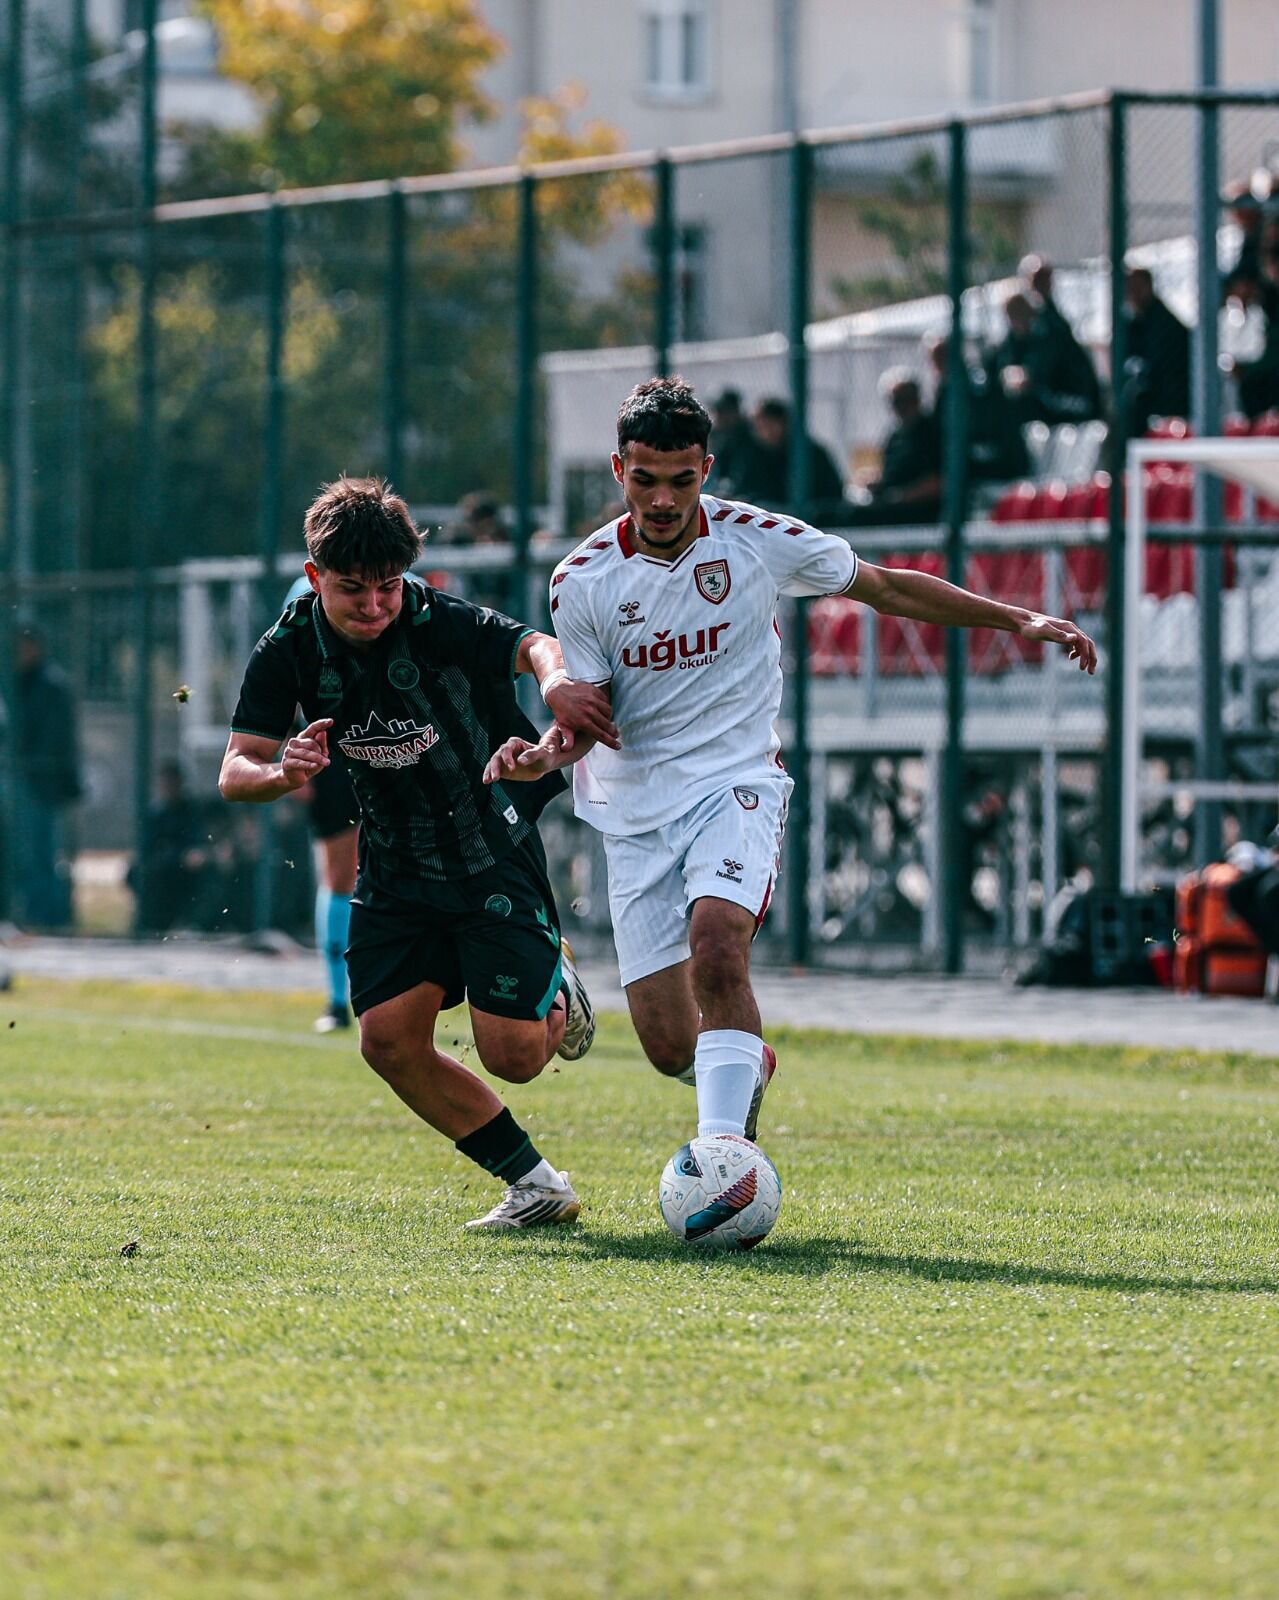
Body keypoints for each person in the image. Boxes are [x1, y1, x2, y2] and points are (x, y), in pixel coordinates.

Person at [486, 378, 1097, 1152]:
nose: (664, 499)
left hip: (735, 782)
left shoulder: (754, 537)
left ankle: (722, 1162)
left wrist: (1017, 617)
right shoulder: (582, 581)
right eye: (645, 480)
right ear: (618, 471)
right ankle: (739, 1066)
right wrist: (542, 752)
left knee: (717, 947)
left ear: (706, 468)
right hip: (636, 808)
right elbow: (587, 720)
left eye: (682, 480)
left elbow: (882, 588)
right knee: (670, 1047)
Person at [220, 475, 620, 1229]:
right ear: (314, 578)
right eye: (352, 591)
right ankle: (535, 1185)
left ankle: (554, 986)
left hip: (487, 851)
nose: (373, 606)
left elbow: (531, 644)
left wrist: (559, 684)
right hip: (396, 869)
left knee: (516, 1057)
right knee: (387, 1043)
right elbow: (234, 769)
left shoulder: (439, 620)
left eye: (387, 588)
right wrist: (281, 774)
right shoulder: (286, 650)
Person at [284, 572, 361, 1033]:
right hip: (333, 754)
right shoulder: (304, 591)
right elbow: (288, 673)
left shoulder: (402, 585)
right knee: (341, 874)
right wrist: (291, 752)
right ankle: (338, 999)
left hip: (404, 746)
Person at [13, 624, 83, 930]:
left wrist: (28, 762)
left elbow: (54, 739)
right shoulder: (18, 681)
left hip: (43, 783)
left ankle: (49, 916)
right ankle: (33, 912)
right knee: (27, 852)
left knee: (42, 852)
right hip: (24, 779)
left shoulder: (51, 684)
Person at [130, 759, 218, 933]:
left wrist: (196, 853)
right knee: (139, 872)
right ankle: (151, 923)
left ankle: (193, 922)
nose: (168, 788)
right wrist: (176, 856)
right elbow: (148, 848)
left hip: (188, 867)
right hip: (165, 865)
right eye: (164, 784)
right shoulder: (155, 814)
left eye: (172, 783)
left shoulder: (191, 811)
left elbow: (199, 840)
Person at [845, 370, 943, 525]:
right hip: (891, 504)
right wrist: (876, 482)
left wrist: (901, 497)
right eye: (895, 401)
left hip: (920, 510)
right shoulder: (895, 435)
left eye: (905, 399)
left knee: (856, 517)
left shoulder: (931, 433)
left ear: (917, 398)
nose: (900, 406)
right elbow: (890, 474)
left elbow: (940, 481)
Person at [734, 397, 847, 523]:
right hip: (767, 520)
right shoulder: (754, 454)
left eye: (768, 425)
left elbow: (832, 494)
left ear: (784, 423)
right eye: (759, 427)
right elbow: (745, 491)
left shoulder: (810, 453)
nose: (764, 432)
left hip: (813, 519)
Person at [1122, 268, 1191, 436]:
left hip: (1170, 405)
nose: (1133, 294)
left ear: (1149, 287)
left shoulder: (1164, 323)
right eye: (1130, 289)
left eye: (1138, 287)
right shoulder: (1134, 323)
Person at [707, 389, 754, 496]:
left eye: (723, 411)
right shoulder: (716, 435)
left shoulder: (748, 436)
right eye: (716, 411)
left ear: (735, 412)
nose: (718, 416)